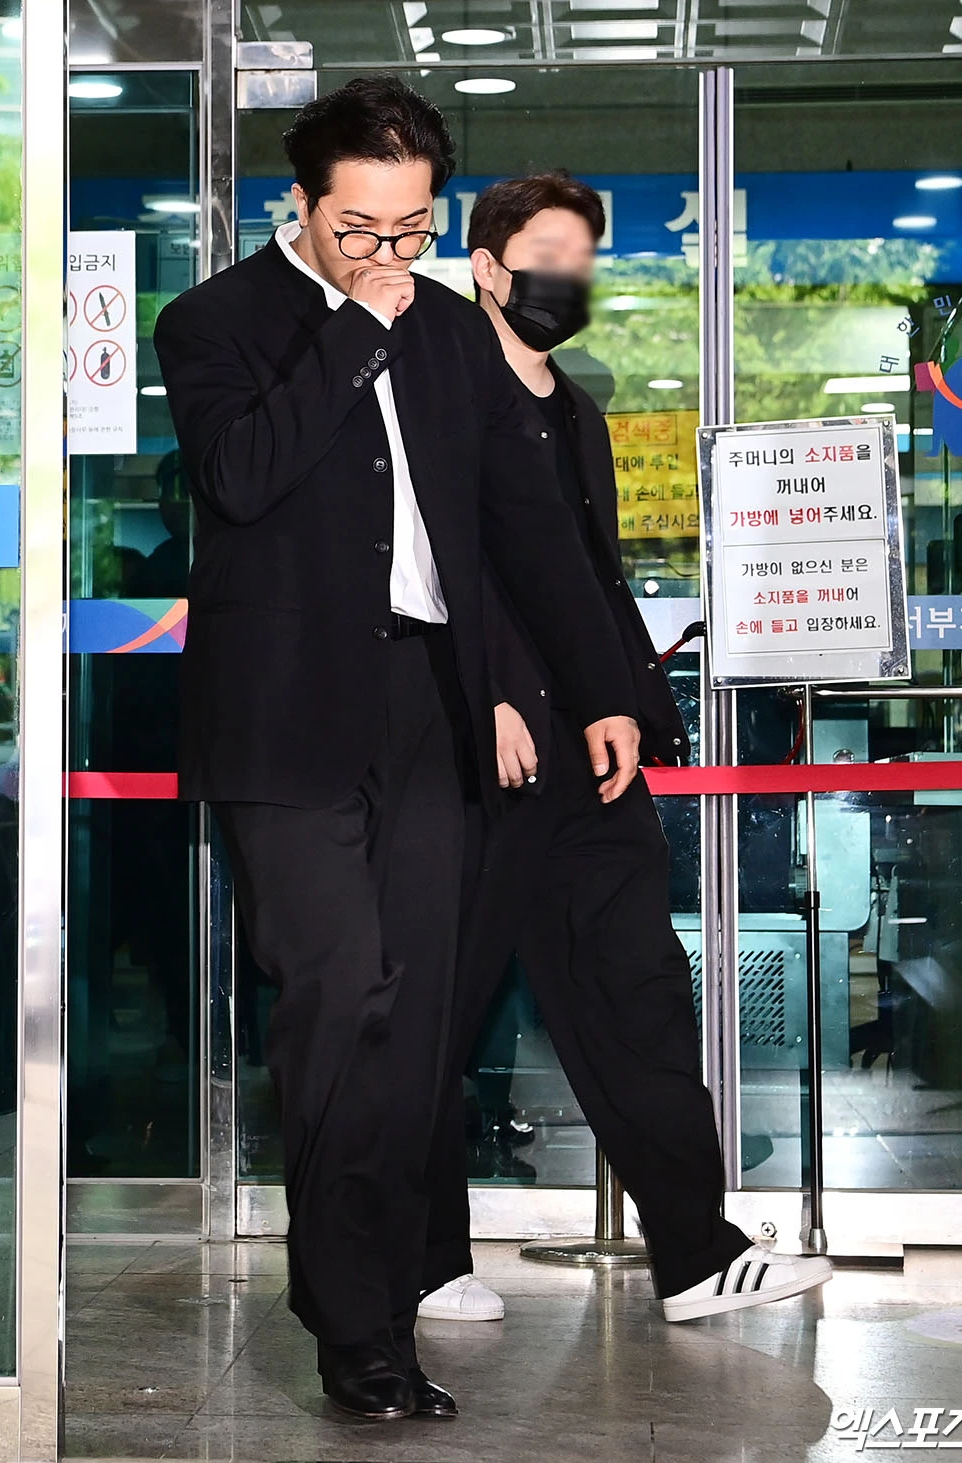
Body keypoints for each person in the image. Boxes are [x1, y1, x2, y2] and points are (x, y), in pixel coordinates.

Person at [152, 80, 641, 1423]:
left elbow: (521, 526)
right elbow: (241, 476)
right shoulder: (215, 322)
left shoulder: (452, 332)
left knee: (414, 1022)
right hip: (284, 716)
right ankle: (352, 1320)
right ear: (301, 206)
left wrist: (596, 690)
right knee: (341, 998)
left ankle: (376, 1309)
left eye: (411, 229)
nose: (388, 252)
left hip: (429, 706)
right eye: (361, 229)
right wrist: (355, 328)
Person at [417, 173, 833, 1327]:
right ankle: (423, 1256)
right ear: (487, 266)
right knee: (444, 1006)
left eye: (583, 257)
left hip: (588, 754)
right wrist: (492, 694)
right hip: (478, 747)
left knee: (638, 991)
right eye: (547, 252)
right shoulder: (442, 396)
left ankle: (695, 1251)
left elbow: (586, 584)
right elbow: (445, 569)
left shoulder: (578, 411)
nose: (570, 276)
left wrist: (619, 703)